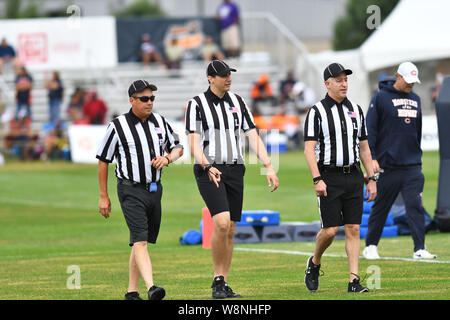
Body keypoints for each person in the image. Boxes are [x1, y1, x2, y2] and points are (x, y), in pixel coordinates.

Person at [185, 60, 279, 299]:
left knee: (232, 228)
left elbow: (252, 135)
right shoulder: (197, 104)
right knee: (222, 222)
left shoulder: (238, 102)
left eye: (229, 74)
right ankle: (217, 279)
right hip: (209, 169)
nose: (228, 78)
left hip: (235, 169)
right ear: (210, 78)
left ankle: (224, 282)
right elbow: (193, 143)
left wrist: (269, 165)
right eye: (222, 75)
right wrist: (207, 165)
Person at [97, 79, 184, 300]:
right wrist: (104, 196)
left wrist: (167, 158)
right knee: (141, 240)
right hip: (130, 189)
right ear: (132, 100)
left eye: (152, 98)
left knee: (140, 240)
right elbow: (103, 160)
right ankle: (151, 287)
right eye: (144, 99)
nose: (149, 102)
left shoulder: (160, 122)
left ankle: (131, 292)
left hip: (155, 190)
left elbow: (178, 147)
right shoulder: (117, 126)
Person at [303, 62, 377, 293]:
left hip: (353, 174)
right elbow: (309, 149)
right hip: (329, 176)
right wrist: (317, 179)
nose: (344, 84)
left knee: (354, 228)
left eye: (345, 80)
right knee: (331, 230)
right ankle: (314, 262)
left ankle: (353, 281)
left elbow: (364, 147)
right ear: (327, 84)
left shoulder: (356, 109)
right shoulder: (316, 112)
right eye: (339, 80)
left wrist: (372, 177)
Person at [363, 61, 437, 260]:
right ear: (398, 76)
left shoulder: (416, 99)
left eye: (414, 81)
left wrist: (417, 156)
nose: (411, 85)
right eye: (408, 81)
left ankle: (419, 249)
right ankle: (370, 245)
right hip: (387, 165)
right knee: (382, 207)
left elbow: (417, 130)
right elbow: (371, 130)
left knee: (414, 204)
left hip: (412, 165)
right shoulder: (380, 98)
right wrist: (373, 158)